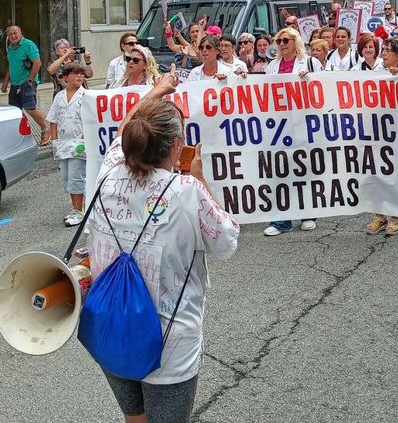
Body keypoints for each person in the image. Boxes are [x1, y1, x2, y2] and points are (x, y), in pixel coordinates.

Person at [89, 71, 239, 423]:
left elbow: (122, 131)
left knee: (135, 418)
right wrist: (199, 176)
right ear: (175, 147)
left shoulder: (106, 174)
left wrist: (154, 93)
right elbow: (227, 242)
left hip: (110, 327)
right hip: (169, 342)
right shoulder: (188, 190)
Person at [262, 27, 315, 237]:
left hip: (303, 123)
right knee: (280, 171)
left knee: (305, 169)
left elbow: (324, 88)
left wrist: (308, 79)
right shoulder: (271, 67)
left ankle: (308, 214)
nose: (282, 44)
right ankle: (281, 220)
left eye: (286, 40)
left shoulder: (309, 63)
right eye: (279, 41)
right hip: (278, 126)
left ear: (295, 42)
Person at [365, 38, 398, 237]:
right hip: (377, 131)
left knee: (396, 173)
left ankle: (395, 216)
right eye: (383, 50)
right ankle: (379, 214)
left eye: (388, 50)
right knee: (377, 172)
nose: (383, 54)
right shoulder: (376, 73)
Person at [45, 62, 88, 227]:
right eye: (75, 74)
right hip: (62, 144)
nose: (79, 77)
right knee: (67, 178)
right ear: (65, 77)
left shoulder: (86, 96)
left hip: (79, 144)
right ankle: (77, 207)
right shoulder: (59, 97)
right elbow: (53, 120)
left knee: (77, 177)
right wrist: (54, 141)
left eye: (81, 74)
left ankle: (78, 211)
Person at [1, 26, 48, 145]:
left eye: (15, 33)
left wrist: (30, 80)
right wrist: (6, 81)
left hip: (26, 82)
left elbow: (37, 63)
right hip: (15, 84)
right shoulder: (11, 47)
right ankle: (23, 132)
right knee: (15, 110)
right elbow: (11, 65)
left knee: (30, 108)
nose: (13, 36)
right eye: (10, 34)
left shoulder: (28, 44)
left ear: (20, 33)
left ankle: (45, 130)